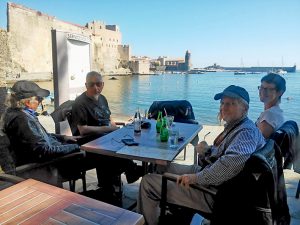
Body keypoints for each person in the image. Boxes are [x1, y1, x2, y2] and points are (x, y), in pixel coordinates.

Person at [137, 85, 265, 225]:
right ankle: (165, 209)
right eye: (223, 103)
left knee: (148, 182)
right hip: (212, 177)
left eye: (231, 104)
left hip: (217, 194)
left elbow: (230, 165)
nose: (224, 107)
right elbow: (225, 157)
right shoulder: (237, 126)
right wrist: (208, 151)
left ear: (244, 109)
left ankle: (149, 222)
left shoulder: (246, 132)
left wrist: (195, 178)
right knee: (161, 168)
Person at [71, 71, 143, 194]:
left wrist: (115, 129)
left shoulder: (102, 98)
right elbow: (83, 130)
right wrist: (109, 129)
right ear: (86, 85)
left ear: (103, 84)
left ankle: (120, 178)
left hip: (104, 137)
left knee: (125, 139)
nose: (95, 87)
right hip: (88, 142)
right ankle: (128, 171)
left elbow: (108, 118)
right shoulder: (80, 103)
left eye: (98, 84)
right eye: (91, 84)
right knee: (111, 149)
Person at [1, 80, 80, 166]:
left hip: (37, 160)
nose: (41, 102)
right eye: (39, 99)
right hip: (37, 168)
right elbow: (44, 150)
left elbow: (42, 137)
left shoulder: (19, 114)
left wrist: (63, 138)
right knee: (87, 154)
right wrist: (77, 147)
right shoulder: (22, 120)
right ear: (28, 102)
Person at [256, 73, 286, 139]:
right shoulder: (277, 112)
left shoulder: (269, 116)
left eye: (269, 89)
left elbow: (259, 145)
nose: (263, 91)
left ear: (280, 92)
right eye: (261, 87)